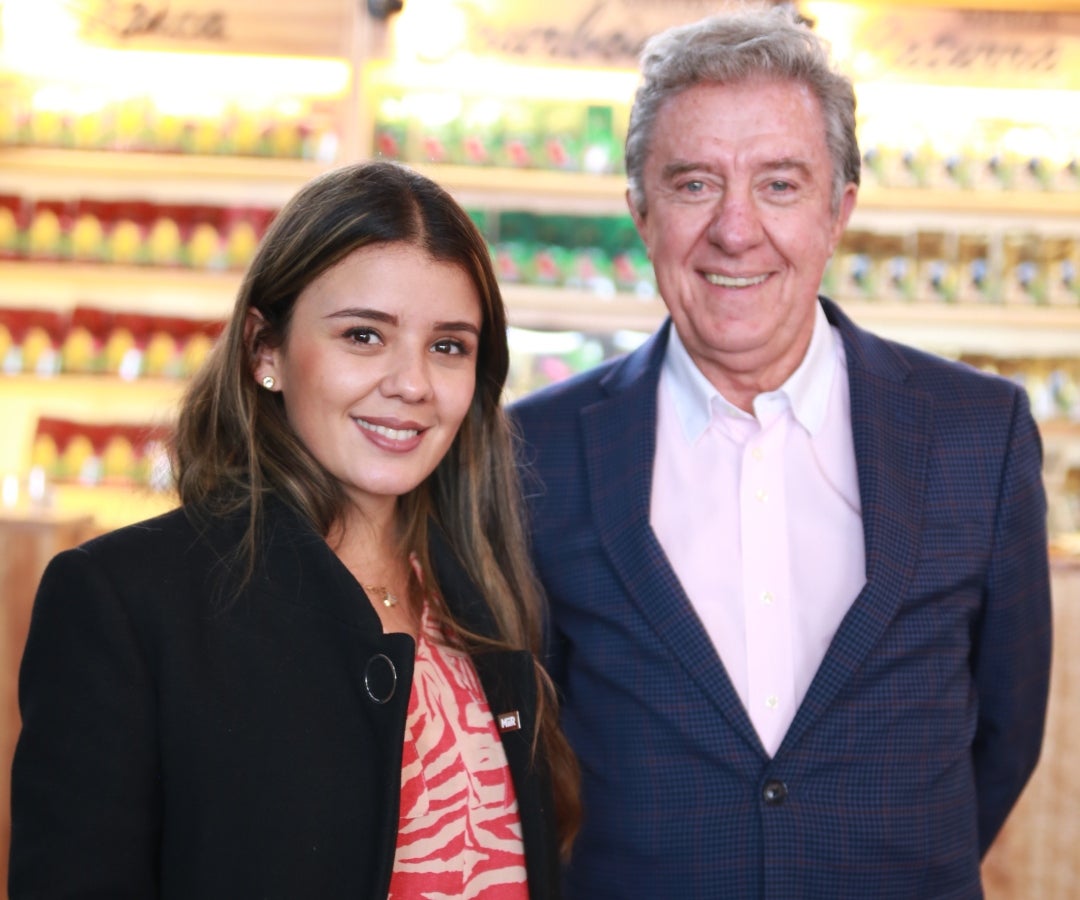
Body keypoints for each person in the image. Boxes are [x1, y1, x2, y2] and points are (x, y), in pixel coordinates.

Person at [509, 5, 1051, 898]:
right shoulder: (536, 449)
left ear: (839, 212)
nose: (735, 229)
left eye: (780, 185)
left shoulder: (977, 435)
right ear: (641, 212)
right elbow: (525, 748)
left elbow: (1006, 736)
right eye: (694, 184)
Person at [10, 160, 579, 899]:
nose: (412, 384)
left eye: (448, 346)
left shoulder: (488, 597)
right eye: (364, 336)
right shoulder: (125, 601)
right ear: (264, 349)